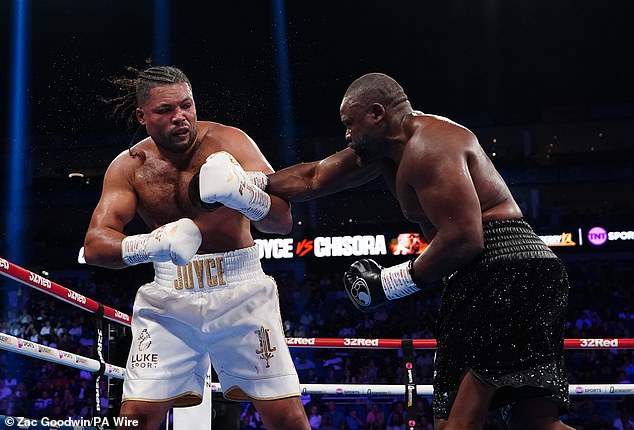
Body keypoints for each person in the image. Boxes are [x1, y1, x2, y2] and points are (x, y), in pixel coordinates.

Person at [231, 72, 573, 429]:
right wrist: (247, 183)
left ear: (377, 114)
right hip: (505, 271)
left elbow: (464, 237)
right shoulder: (385, 152)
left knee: (457, 422)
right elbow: (313, 178)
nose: (346, 135)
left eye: (350, 124)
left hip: (502, 269)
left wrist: (391, 282)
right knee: (533, 422)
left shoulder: (430, 146)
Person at [82, 65, 310, 430]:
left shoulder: (230, 142)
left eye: (186, 105)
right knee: (135, 419)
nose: (180, 118)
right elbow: (95, 245)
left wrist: (244, 196)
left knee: (286, 419)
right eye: (165, 111)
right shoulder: (128, 167)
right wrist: (154, 243)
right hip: (169, 296)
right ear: (142, 116)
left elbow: (282, 221)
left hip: (241, 291)